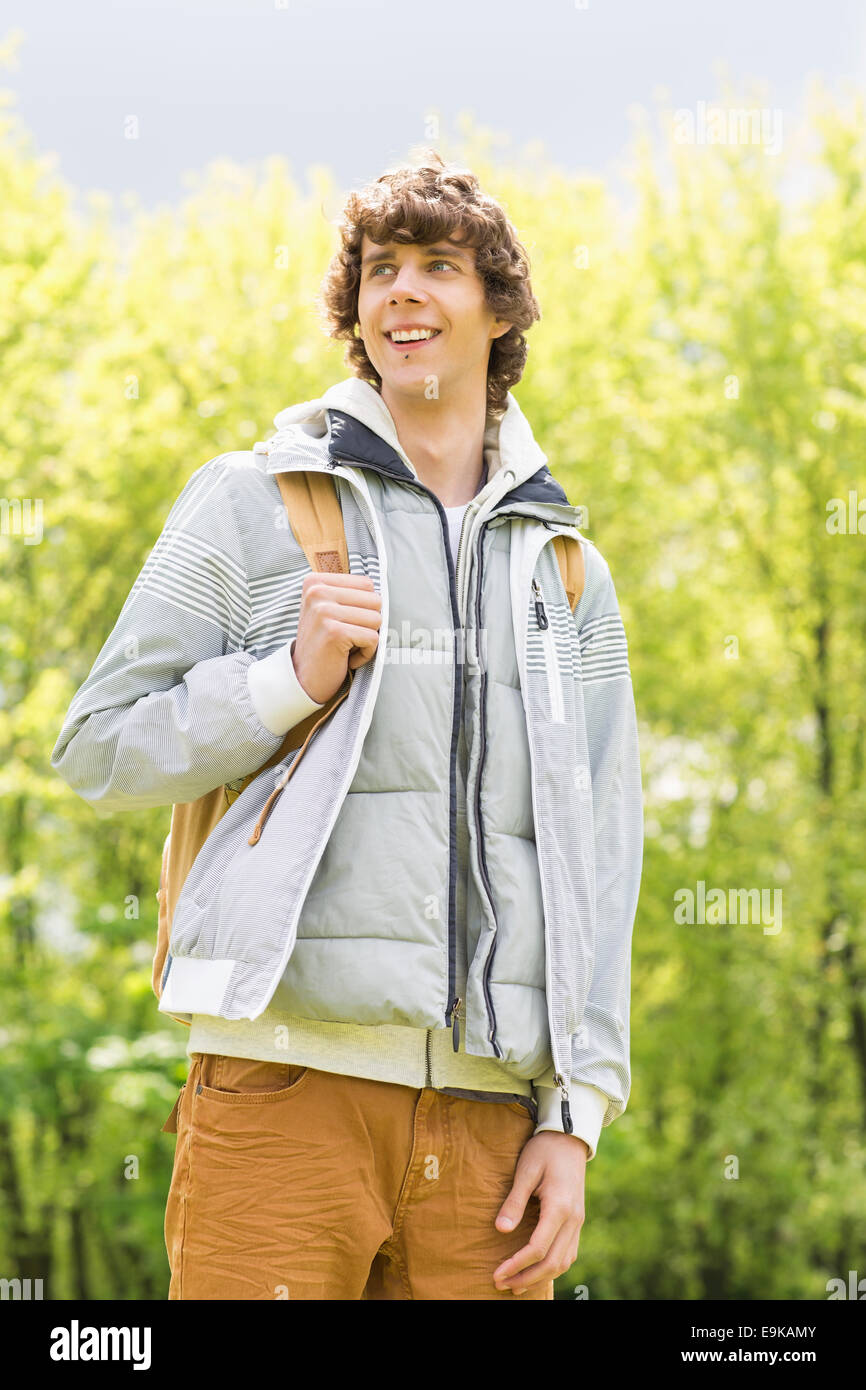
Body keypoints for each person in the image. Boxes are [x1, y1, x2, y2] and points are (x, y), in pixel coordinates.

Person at [51, 149, 643, 1300]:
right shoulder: (255, 498)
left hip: (490, 1131)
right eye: (379, 271)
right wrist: (283, 678)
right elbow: (99, 747)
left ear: (499, 307)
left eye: (436, 267)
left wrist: (574, 1113)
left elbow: (602, 854)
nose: (401, 292)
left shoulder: (566, 573)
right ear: (355, 312)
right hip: (282, 1099)